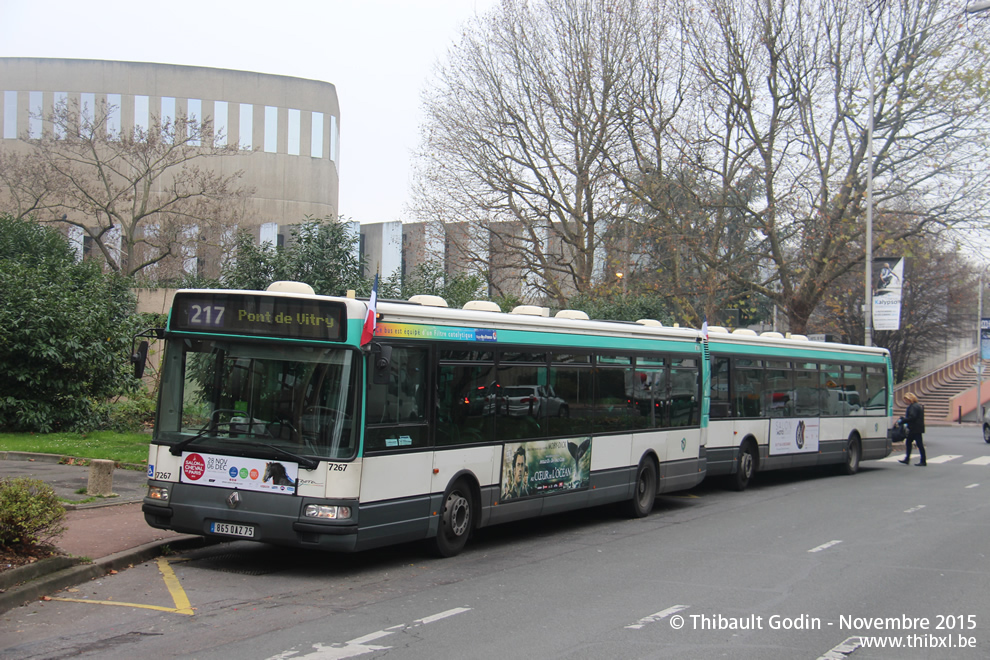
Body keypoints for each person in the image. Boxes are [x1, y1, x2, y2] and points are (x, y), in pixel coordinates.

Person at [897, 392, 926, 466]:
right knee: (912, 443)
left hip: (914, 428)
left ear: (910, 399)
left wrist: (903, 420)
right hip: (917, 428)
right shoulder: (917, 406)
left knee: (917, 444)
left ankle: (921, 460)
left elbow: (912, 417)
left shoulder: (913, 407)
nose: (906, 401)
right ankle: (910, 459)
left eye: (906, 400)